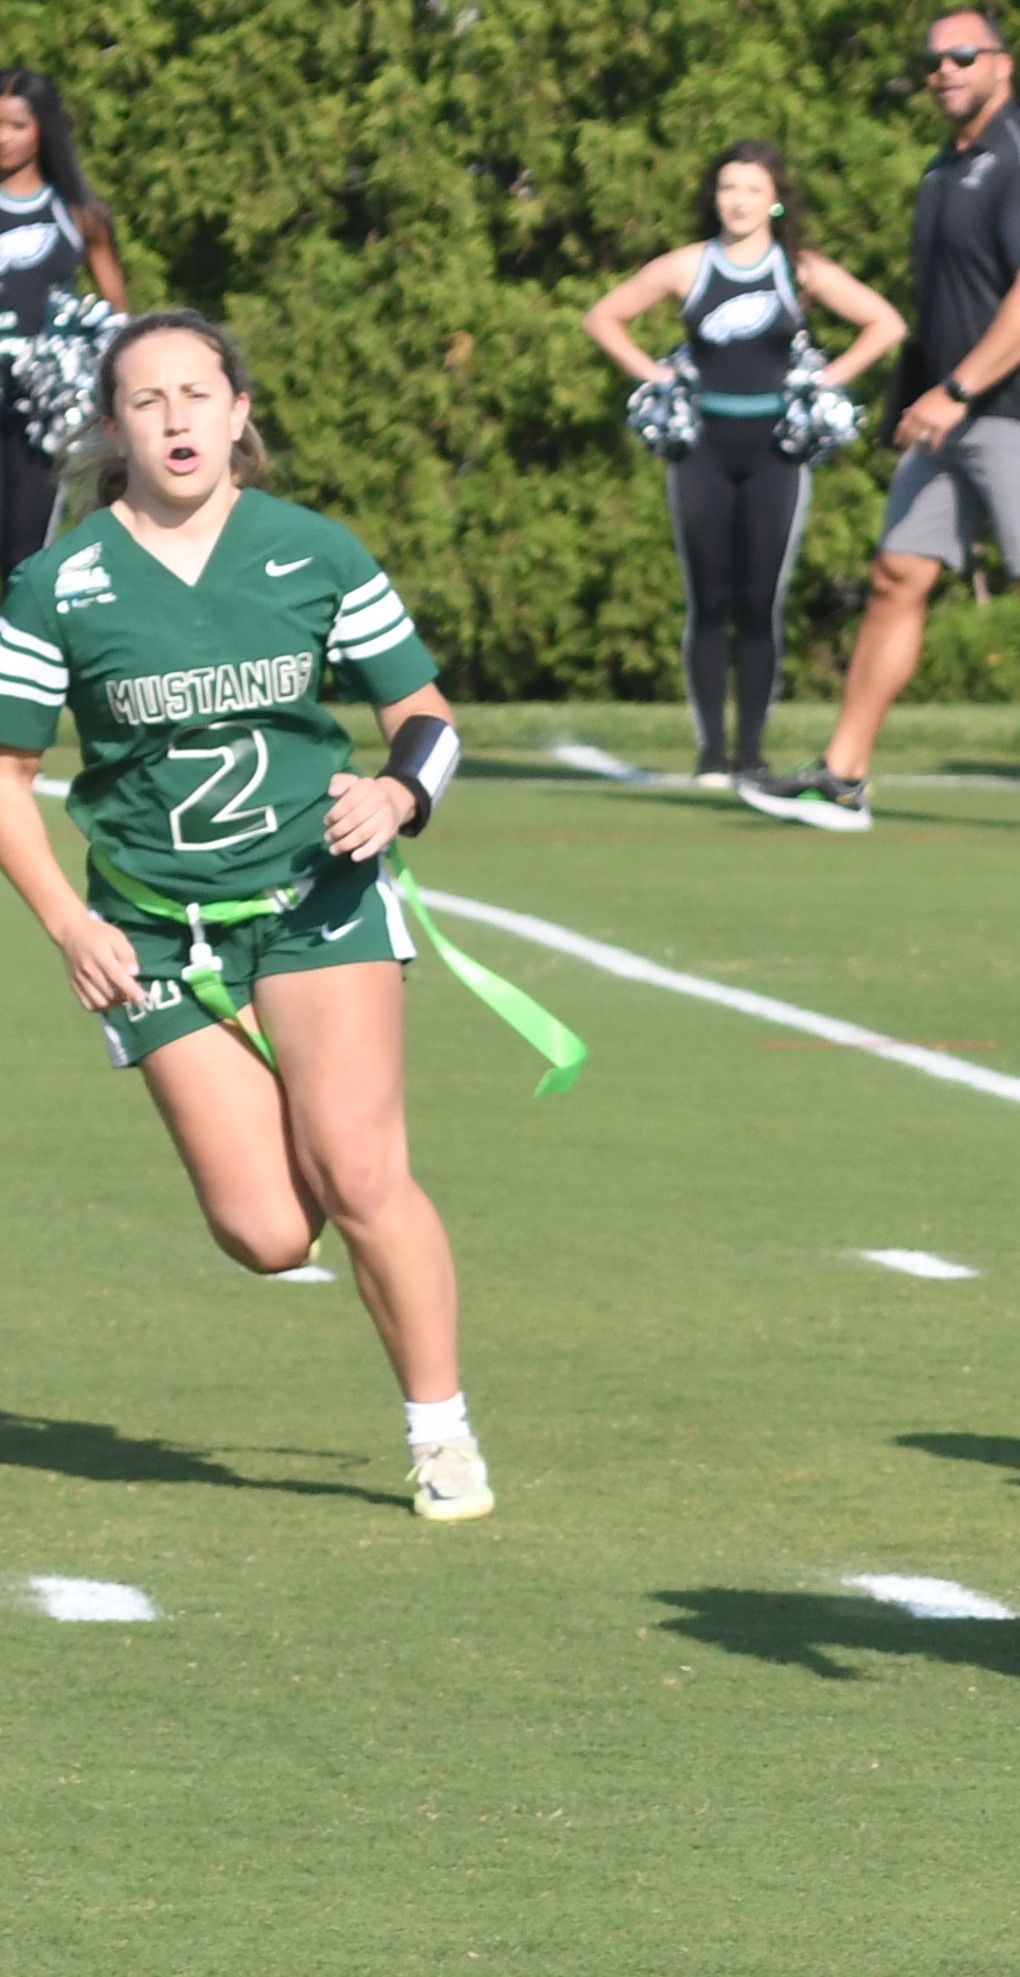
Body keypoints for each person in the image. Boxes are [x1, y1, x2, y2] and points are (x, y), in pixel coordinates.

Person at [0, 314, 498, 1519]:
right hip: (155, 933)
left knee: (364, 1171)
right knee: (272, 1232)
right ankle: (319, 1146)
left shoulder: (315, 551)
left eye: (195, 394)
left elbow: (427, 718)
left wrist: (395, 793)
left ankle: (441, 1434)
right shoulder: (53, 583)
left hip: (312, 902)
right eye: (146, 400)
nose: (174, 418)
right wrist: (69, 921)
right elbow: (6, 777)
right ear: (113, 429)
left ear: (239, 415)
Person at [744, 9, 1020, 843]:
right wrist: (923, 392)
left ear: (1004, 64)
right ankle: (845, 779)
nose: (946, 69)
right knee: (898, 574)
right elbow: (944, 304)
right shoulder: (943, 171)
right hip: (951, 415)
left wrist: (958, 390)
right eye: (933, 60)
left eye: (963, 55)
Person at [581, 143, 906, 788]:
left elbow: (885, 324)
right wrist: (657, 375)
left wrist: (823, 383)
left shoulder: (799, 269)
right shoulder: (688, 266)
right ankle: (710, 755)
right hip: (702, 446)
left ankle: (751, 754)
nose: (738, 200)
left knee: (760, 602)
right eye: (727, 187)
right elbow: (604, 317)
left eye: (752, 189)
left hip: (775, 450)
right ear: (715, 196)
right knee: (709, 600)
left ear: (774, 198)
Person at [0, 71, 129, 567]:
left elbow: (118, 312)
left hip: (40, 420)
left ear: (42, 128)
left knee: (23, 553)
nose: (4, 138)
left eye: (17, 125)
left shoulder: (76, 214)